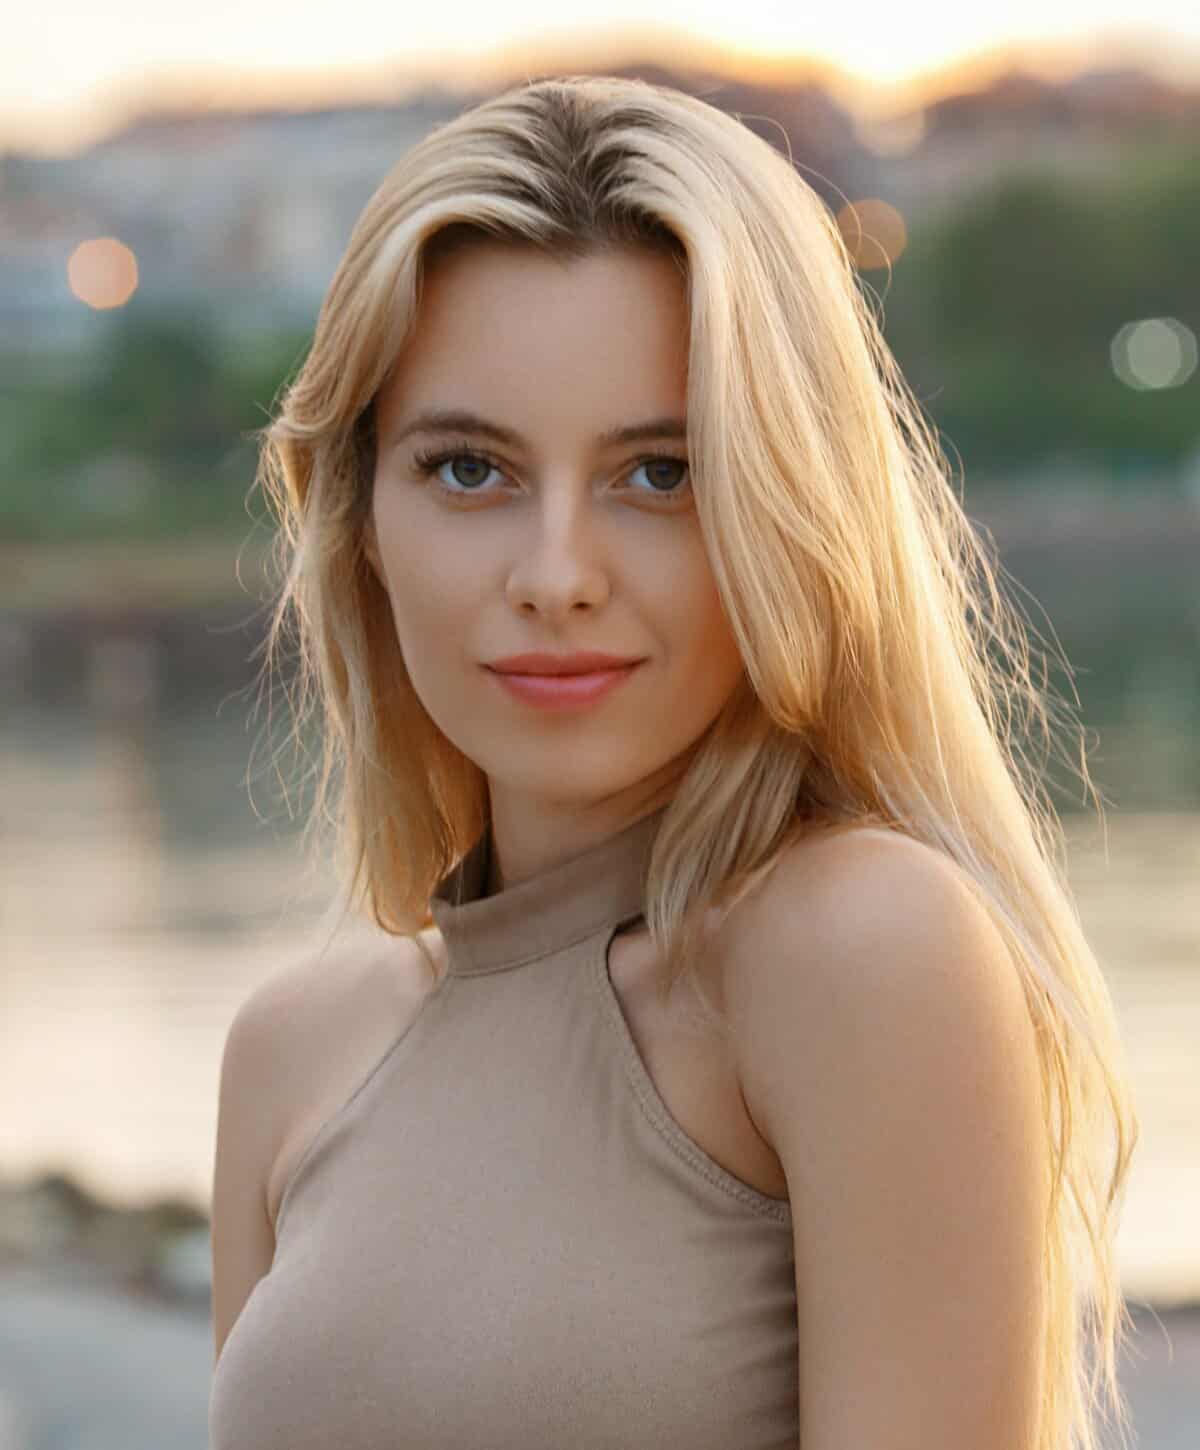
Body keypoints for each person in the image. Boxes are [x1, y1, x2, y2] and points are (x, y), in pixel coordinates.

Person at [208, 73, 1140, 1450]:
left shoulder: (858, 947)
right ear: (358, 521)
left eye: (663, 472)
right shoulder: (291, 1049)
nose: (558, 574)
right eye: (471, 469)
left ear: (784, 508)